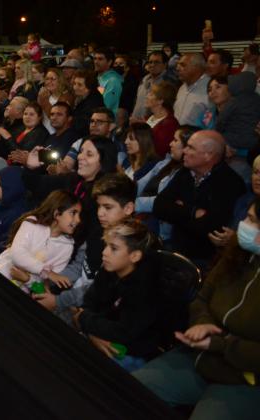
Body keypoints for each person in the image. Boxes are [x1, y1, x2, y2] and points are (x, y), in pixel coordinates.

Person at [132, 198, 260, 419]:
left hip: (245, 380)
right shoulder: (236, 254)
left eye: (251, 220)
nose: (243, 224)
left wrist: (220, 343)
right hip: (200, 357)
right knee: (131, 390)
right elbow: (201, 299)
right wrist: (202, 324)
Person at [34, 173, 137, 325]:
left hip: (89, 310)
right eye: (99, 206)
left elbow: (100, 290)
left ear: (128, 208)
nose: (100, 213)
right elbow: (77, 267)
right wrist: (50, 282)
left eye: (108, 207)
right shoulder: (97, 231)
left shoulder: (130, 245)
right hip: (69, 298)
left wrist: (58, 301)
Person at [73, 219, 163, 372]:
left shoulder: (146, 287)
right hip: (100, 333)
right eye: (106, 245)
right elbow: (88, 303)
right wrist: (92, 335)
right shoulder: (110, 268)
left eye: (113, 248)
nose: (104, 252)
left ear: (134, 256)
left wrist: (83, 320)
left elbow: (126, 332)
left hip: (130, 350)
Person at [153, 130, 246, 267]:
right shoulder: (185, 172)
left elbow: (210, 228)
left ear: (208, 155)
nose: (184, 150)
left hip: (203, 260)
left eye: (190, 147)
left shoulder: (229, 183)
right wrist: (193, 212)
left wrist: (177, 210)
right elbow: (159, 206)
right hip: (175, 248)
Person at [0, 190, 80, 292]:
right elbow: (17, 255)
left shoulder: (67, 247)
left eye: (79, 215)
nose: (78, 220)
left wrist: (27, 280)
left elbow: (43, 290)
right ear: (57, 214)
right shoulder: (32, 223)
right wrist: (47, 272)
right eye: (73, 213)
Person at [174, 53, 211, 127]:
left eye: (183, 65)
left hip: (199, 136)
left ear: (196, 67)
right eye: (178, 65)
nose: (177, 68)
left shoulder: (210, 87)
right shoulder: (182, 88)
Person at [132, 51, 171, 121]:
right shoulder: (144, 80)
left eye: (157, 62)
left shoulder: (167, 84)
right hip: (136, 124)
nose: (152, 65)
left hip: (152, 127)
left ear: (165, 65)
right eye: (150, 62)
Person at [71, 70, 105, 136]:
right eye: (74, 84)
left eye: (79, 85)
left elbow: (81, 125)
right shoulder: (84, 98)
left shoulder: (93, 103)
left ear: (89, 87)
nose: (75, 87)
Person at [93, 48, 123, 116]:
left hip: (106, 120)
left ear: (109, 62)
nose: (96, 62)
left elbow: (106, 106)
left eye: (100, 59)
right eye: (95, 58)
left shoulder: (113, 81)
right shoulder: (96, 77)